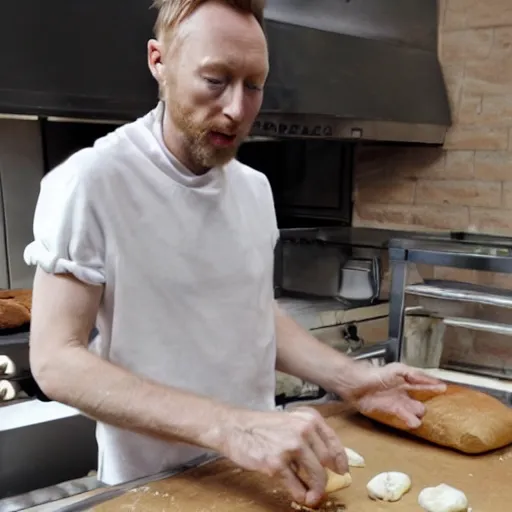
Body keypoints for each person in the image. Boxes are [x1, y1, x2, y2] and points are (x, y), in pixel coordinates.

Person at [24, 0, 445, 508]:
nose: (238, 110)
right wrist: (231, 426)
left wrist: (353, 381)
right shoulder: (90, 183)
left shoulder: (253, 190)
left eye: (254, 85)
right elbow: (55, 360)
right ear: (159, 62)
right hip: (154, 486)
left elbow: (252, 312)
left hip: (258, 475)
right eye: (215, 80)